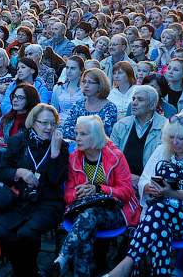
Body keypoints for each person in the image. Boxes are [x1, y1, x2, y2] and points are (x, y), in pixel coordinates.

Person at [107, 114, 183, 277]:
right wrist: (148, 188)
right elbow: (144, 179)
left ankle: (126, 264)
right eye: (172, 137)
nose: (175, 142)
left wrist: (173, 193)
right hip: (159, 218)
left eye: (181, 138)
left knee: (158, 209)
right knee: (160, 228)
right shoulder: (161, 151)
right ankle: (160, 273)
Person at [43, 116, 140, 277]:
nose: (77, 138)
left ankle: (60, 261)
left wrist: (98, 189)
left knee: (88, 217)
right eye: (76, 133)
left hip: (115, 210)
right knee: (87, 224)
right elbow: (68, 195)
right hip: (85, 212)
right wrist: (78, 193)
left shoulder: (115, 156)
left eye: (83, 134)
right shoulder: (74, 158)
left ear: (96, 135)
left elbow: (127, 192)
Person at [0, 103, 68, 277]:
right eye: (44, 123)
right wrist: (18, 172)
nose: (49, 128)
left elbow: (57, 180)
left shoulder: (60, 145)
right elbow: (2, 172)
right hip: (18, 198)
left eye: (52, 124)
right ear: (33, 122)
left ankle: (27, 272)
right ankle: (24, 272)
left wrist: (55, 153)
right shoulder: (18, 141)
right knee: (2, 233)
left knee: (27, 233)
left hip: (47, 202)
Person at [110, 85, 168, 190]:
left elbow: (166, 162)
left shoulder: (166, 128)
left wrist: (143, 181)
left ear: (152, 105)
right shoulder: (121, 125)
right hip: (122, 181)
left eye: (140, 100)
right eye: (133, 99)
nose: (134, 103)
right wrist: (127, 176)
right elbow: (111, 158)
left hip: (153, 185)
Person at [62, 68, 118, 139]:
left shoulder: (110, 107)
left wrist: (79, 132)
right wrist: (87, 133)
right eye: (84, 82)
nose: (85, 85)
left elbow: (104, 133)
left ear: (100, 85)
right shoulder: (79, 104)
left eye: (90, 82)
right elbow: (66, 129)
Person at [0, 82, 40, 148]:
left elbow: (26, 147)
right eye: (14, 96)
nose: (15, 100)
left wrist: (7, 145)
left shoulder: (35, 123)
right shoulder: (7, 119)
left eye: (20, 97)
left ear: (30, 100)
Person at [52, 55, 85, 123]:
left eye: (73, 68)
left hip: (80, 126)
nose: (68, 71)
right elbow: (54, 111)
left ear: (81, 70)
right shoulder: (58, 89)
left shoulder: (86, 90)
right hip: (60, 125)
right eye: (67, 68)